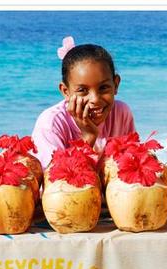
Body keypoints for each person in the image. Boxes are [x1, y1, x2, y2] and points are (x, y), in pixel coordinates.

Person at [31, 36, 136, 169]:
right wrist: (89, 137)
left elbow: (130, 162)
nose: (95, 99)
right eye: (82, 90)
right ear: (66, 91)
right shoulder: (51, 123)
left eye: (103, 88)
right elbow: (55, 180)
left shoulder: (121, 113)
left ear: (116, 85)